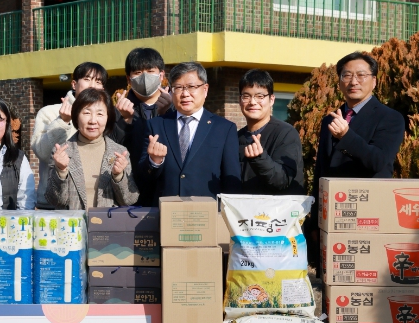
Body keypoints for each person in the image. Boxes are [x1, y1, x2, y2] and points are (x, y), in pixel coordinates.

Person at [308, 52, 405, 271]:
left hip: (368, 214)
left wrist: (346, 136)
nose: (354, 81)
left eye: (361, 75)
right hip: (332, 215)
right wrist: (315, 220)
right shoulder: (330, 119)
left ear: (374, 81)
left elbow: (378, 161)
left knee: (365, 274)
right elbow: (321, 170)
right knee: (332, 277)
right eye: (347, 75)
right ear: (339, 82)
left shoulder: (390, 118)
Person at [137, 61, 241, 201]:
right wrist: (154, 161)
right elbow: (142, 178)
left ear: (205, 89)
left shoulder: (224, 128)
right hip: (166, 209)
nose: (185, 94)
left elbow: (232, 182)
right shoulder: (156, 125)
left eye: (192, 87)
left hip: (207, 210)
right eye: (178, 88)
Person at [46, 88, 139, 210]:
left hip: (107, 221)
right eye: (86, 113)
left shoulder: (120, 152)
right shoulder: (61, 153)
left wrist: (118, 176)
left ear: (108, 117)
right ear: (76, 116)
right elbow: (55, 201)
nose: (93, 121)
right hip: (74, 222)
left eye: (100, 114)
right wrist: (61, 171)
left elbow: (129, 200)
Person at [31, 62, 108, 209]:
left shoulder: (104, 116)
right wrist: (62, 122)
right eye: (87, 79)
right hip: (53, 204)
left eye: (98, 81)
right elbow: (43, 153)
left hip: (96, 204)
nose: (92, 85)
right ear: (74, 84)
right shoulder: (49, 112)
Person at [112, 47, 173, 205]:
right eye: (138, 73)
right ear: (129, 79)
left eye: (150, 71)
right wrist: (125, 121)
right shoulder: (118, 110)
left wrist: (167, 113)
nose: (145, 77)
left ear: (161, 75)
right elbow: (112, 150)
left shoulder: (177, 108)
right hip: (131, 193)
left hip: (168, 192)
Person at [237, 69, 304, 195]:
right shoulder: (236, 137)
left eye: (260, 96)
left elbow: (283, 179)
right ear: (240, 100)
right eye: (246, 96)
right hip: (240, 207)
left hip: (277, 207)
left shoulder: (286, 134)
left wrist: (259, 159)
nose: (252, 102)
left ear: (271, 99)